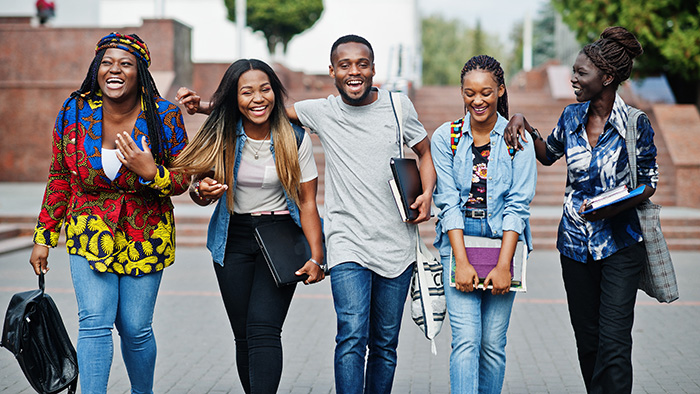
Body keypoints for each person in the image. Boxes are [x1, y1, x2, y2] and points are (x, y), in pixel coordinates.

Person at [29, 32, 189, 393]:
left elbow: (183, 178)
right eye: (107, 62)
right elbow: (59, 175)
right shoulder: (74, 111)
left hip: (145, 234)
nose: (114, 70)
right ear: (96, 69)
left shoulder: (164, 117)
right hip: (89, 231)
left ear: (141, 72)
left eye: (126, 63)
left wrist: (152, 172)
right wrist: (44, 236)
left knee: (135, 329)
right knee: (95, 322)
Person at [505, 26, 657, 393]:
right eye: (573, 71)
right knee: (588, 342)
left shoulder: (635, 124)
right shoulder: (572, 117)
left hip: (620, 244)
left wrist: (612, 207)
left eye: (581, 72)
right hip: (574, 246)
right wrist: (524, 122)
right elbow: (548, 155)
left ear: (606, 77)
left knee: (615, 344)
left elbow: (648, 183)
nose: (573, 78)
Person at [288, 34, 436, 394]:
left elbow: (425, 152)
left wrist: (428, 193)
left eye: (362, 64)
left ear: (373, 69)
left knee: (385, 344)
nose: (354, 71)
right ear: (332, 71)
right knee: (351, 334)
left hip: (397, 245)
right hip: (347, 243)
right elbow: (261, 105)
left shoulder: (399, 107)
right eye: (345, 65)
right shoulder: (322, 111)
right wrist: (204, 108)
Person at [171, 59, 325, 394]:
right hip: (233, 238)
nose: (258, 98)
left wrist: (317, 256)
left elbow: (308, 202)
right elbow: (197, 190)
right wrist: (202, 191)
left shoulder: (294, 137)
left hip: (281, 239)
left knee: (263, 329)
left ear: (275, 92)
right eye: (247, 91)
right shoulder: (221, 133)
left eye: (265, 89)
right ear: (234, 98)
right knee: (243, 334)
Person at [431, 55, 536, 393]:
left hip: (502, 241)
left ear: (500, 90)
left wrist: (504, 265)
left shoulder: (518, 138)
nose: (478, 100)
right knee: (465, 340)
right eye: (469, 93)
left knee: (492, 344)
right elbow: (447, 202)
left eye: (487, 92)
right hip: (459, 242)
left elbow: (518, 206)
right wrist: (460, 262)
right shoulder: (445, 138)